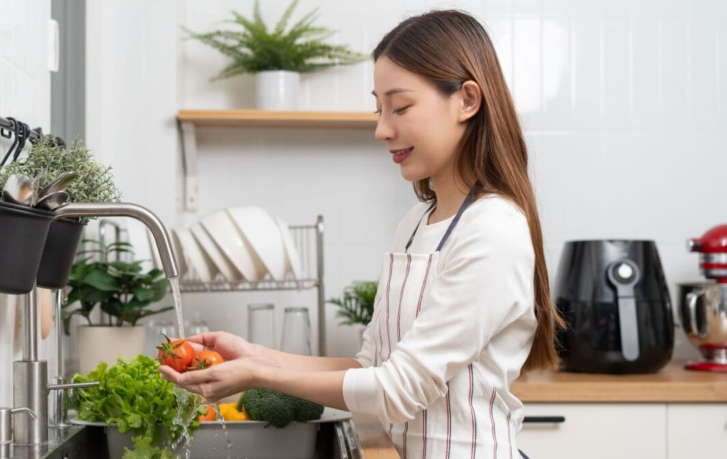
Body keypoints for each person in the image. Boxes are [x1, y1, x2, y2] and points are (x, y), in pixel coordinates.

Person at [160, 9, 563, 458]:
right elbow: (369, 367)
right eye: (379, 108)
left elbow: (398, 390)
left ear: (467, 100)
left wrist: (259, 376)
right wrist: (252, 355)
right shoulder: (415, 224)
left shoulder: (494, 229)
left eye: (401, 107)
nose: (381, 129)